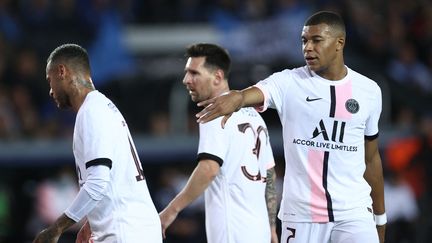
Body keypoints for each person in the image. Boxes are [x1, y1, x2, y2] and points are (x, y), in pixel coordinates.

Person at [196, 11, 386, 243]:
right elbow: (255, 93)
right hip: (302, 216)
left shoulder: (369, 91)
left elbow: (371, 159)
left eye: (316, 40)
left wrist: (380, 218)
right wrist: (236, 98)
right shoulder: (288, 82)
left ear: (339, 43)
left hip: (354, 213)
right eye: (304, 41)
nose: (307, 48)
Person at [33, 44, 162, 243]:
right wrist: (91, 222)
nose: (50, 91)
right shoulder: (102, 106)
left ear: (62, 71)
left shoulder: (91, 111)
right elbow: (112, 179)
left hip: (124, 231)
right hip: (134, 228)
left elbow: (97, 182)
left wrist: (56, 229)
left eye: (50, 81)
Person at [159, 43, 279, 243]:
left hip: (233, 232)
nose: (186, 80)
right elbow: (270, 175)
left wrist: (171, 211)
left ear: (217, 77)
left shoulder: (215, 111)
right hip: (259, 232)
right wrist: (272, 227)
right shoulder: (255, 116)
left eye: (194, 73)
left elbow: (209, 169)